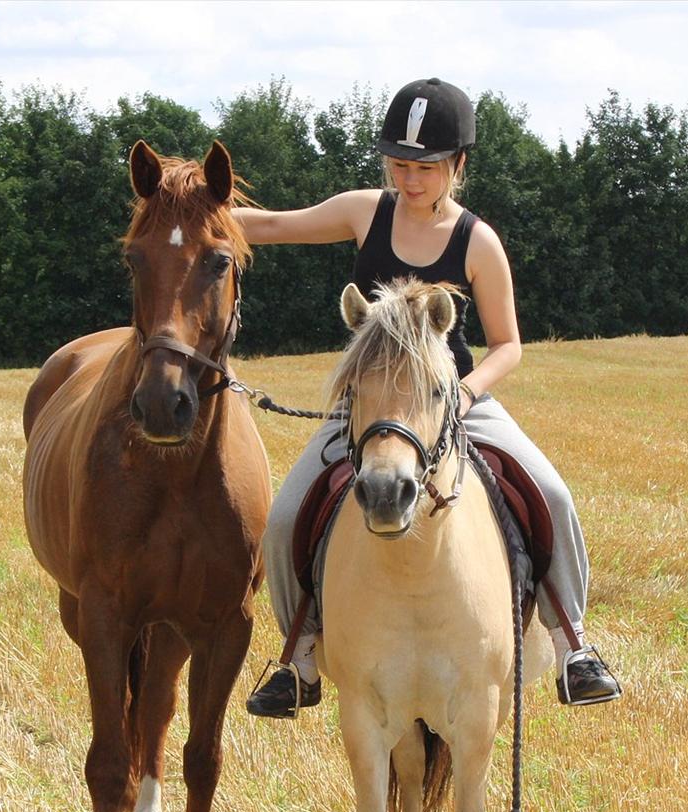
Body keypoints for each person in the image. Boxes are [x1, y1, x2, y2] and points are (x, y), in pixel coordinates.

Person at [236, 77, 621, 719]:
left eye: (425, 167)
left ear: (457, 165)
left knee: (552, 495)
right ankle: (299, 658)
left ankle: (573, 646)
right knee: (283, 519)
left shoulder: (479, 242)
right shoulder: (365, 212)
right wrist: (191, 214)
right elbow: (274, 224)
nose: (409, 180)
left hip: (455, 399)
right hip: (366, 406)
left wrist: (468, 392)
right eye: (399, 164)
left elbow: (508, 345)